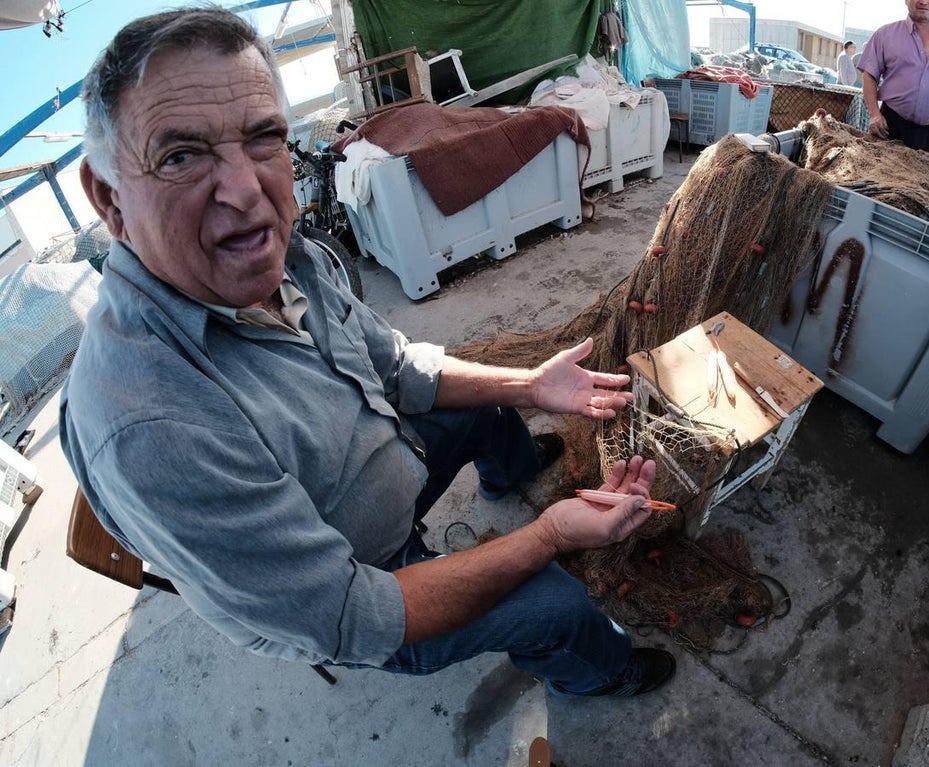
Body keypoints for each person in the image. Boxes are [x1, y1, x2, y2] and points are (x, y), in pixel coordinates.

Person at [60, 6, 676, 698]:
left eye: (263, 139)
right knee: (559, 605)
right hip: (371, 582)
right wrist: (549, 536)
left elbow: (398, 368)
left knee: (492, 404)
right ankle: (599, 672)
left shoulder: (288, 259)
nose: (246, 192)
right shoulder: (150, 424)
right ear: (109, 199)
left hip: (389, 462)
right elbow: (355, 613)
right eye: (180, 156)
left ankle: (508, 472)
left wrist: (531, 384)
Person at [857, 0, 929, 151]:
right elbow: (869, 75)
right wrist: (874, 114)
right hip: (889, 126)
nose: (923, 2)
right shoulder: (885, 34)